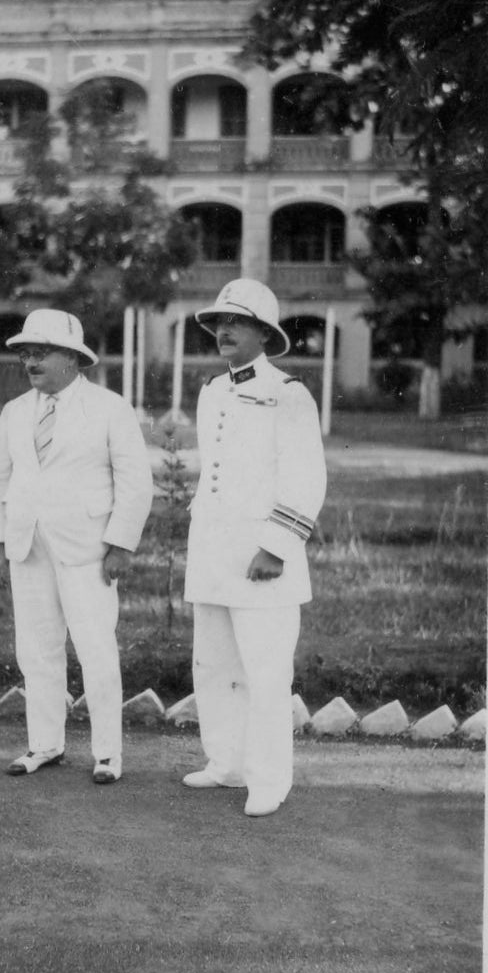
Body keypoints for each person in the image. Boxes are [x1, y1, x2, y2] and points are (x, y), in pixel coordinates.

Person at [0, 308, 154, 785]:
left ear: (74, 359)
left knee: (96, 647)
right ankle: (45, 743)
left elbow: (136, 482)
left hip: (87, 548)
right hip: (29, 545)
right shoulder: (16, 412)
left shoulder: (108, 408)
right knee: (35, 648)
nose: (31, 360)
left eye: (43, 351)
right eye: (25, 352)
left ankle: (107, 754)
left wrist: (120, 543)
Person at [182, 278, 327, 818]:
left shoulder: (288, 393)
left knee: (265, 673)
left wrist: (276, 546)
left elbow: (306, 477)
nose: (223, 330)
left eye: (236, 322)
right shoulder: (212, 391)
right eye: (218, 322)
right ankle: (226, 763)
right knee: (214, 664)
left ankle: (269, 780)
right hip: (214, 551)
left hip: (262, 556)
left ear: (264, 334)